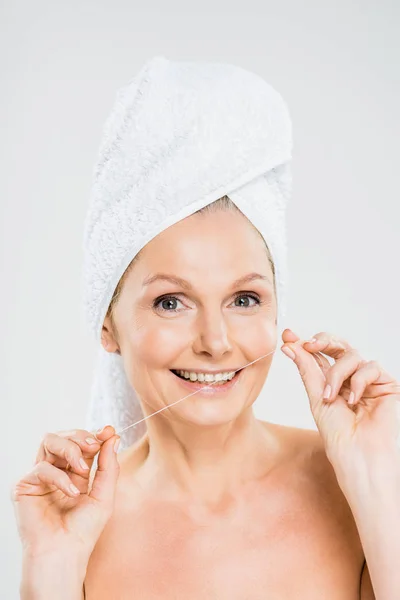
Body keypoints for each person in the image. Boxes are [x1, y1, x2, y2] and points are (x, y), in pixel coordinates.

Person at [12, 57, 398, 599]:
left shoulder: (355, 489)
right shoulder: (80, 530)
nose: (215, 342)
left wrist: (379, 481)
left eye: (244, 298)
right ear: (107, 325)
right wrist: (50, 564)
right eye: (171, 302)